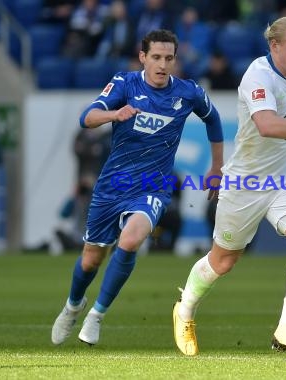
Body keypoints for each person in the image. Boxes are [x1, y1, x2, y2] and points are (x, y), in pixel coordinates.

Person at [172, 16, 286, 356]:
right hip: (245, 182)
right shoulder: (257, 76)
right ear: (274, 46)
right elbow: (267, 125)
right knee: (224, 261)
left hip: (283, 179)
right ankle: (184, 310)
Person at [51, 29, 224, 346]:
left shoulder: (188, 93)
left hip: (153, 186)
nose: (162, 64)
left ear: (175, 60)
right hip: (113, 183)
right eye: (156, 57)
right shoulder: (124, 84)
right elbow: (86, 117)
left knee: (130, 241)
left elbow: (213, 120)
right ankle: (73, 305)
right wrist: (114, 114)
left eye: (168, 58)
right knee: (91, 259)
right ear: (143, 57)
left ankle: (97, 316)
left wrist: (216, 167)